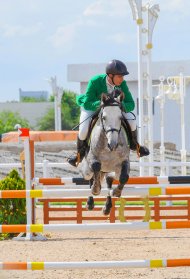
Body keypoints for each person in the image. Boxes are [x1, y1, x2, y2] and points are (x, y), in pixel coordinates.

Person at [68, 59, 149, 167]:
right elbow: (87, 103)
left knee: (132, 121)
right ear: (110, 75)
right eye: (120, 76)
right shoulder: (95, 81)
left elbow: (131, 103)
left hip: (114, 109)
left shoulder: (122, 84)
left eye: (123, 76)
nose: (122, 79)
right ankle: (79, 154)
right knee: (83, 130)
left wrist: (121, 106)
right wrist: (102, 104)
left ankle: (135, 145)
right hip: (92, 107)